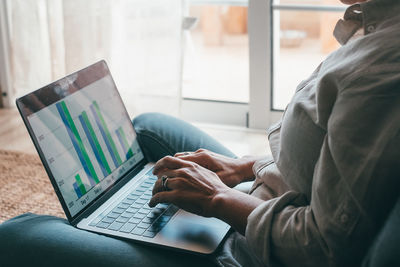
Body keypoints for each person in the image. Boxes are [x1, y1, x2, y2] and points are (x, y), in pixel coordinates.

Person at [0, 0, 399, 266]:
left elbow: (327, 248)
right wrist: (244, 167)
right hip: (271, 193)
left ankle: (115, 229)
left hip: (241, 251)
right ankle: (115, 220)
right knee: (150, 127)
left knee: (19, 234)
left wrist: (217, 198)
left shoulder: (382, 69)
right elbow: (324, 161)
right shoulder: (378, 21)